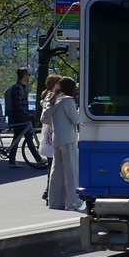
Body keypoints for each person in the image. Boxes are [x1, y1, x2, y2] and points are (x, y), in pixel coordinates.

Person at [44, 76, 80, 211]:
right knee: (71, 172)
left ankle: (54, 201)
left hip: (57, 138)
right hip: (69, 139)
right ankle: (72, 202)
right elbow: (76, 119)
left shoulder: (54, 100)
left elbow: (45, 118)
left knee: (56, 171)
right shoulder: (68, 101)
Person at [5, 69, 32, 168]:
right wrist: (26, 114)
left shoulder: (20, 87)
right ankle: (38, 159)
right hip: (19, 117)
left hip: (20, 117)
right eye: (28, 74)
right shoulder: (18, 88)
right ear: (24, 75)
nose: (29, 76)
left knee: (16, 139)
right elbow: (18, 105)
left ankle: (12, 161)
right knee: (28, 136)